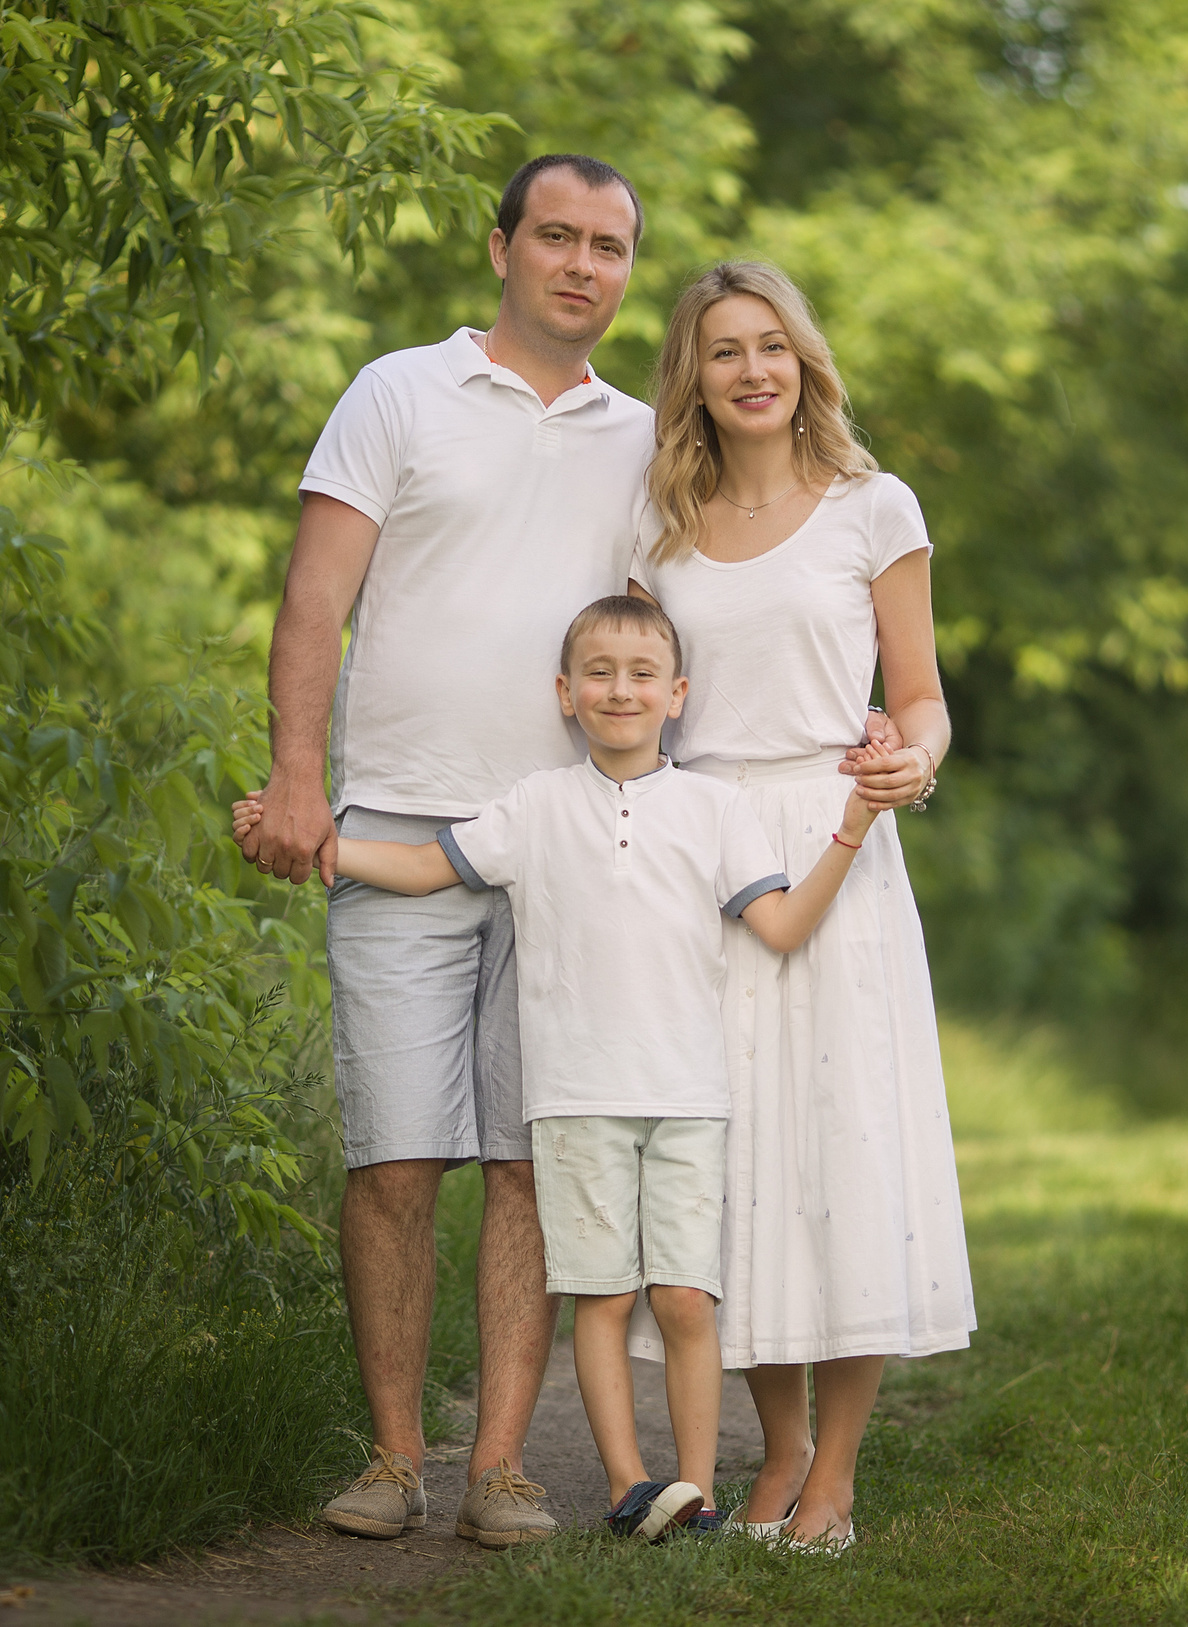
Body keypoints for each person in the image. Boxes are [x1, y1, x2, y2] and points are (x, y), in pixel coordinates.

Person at [236, 596, 877, 1541]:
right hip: (575, 1100)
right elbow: (425, 867)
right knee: (605, 1296)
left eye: (643, 673)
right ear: (566, 694)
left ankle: (692, 1491)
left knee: (687, 1298)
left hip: (690, 1099)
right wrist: (321, 848)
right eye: (601, 672)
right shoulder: (535, 806)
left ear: (678, 694)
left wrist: (852, 828)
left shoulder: (714, 808)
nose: (622, 688)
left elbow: (779, 924)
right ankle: (631, 1487)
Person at [239, 155, 652, 1548]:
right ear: (502, 246)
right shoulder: (396, 390)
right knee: (396, 1157)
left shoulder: (650, 439)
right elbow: (316, 596)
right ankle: (394, 1454)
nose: (582, 264)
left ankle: (502, 1467)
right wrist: (301, 776)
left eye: (608, 245)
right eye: (558, 236)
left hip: (571, 852)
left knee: (534, 1160)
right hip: (396, 824)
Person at [628, 260, 978, 1553]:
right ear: (695, 378)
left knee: (844, 1145)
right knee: (740, 1165)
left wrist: (915, 759)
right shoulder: (658, 528)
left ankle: (835, 1470)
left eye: (772, 345)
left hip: (841, 843)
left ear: (805, 361)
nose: (753, 369)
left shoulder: (871, 509)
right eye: (724, 350)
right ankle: (772, 1450)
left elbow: (923, 692)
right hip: (709, 852)